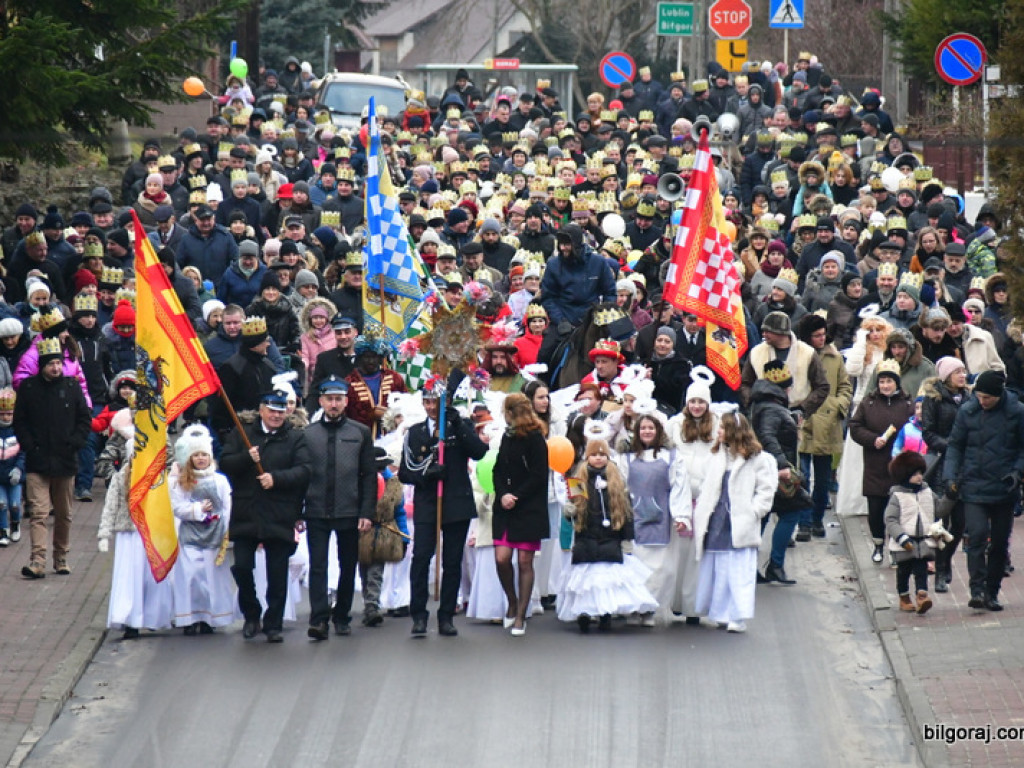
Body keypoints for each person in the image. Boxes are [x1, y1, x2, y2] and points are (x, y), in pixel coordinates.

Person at [220, 390, 312, 643]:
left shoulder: (295, 438)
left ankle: (273, 623)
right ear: (261, 410)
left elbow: (304, 470)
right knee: (242, 567)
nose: (276, 415)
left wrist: (277, 478)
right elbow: (225, 464)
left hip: (279, 512)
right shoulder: (243, 433)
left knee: (277, 572)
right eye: (272, 410)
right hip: (247, 512)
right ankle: (251, 615)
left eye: (281, 411)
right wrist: (245, 459)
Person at [399, 385, 488, 637]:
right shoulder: (415, 432)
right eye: (426, 402)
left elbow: (479, 452)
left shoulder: (460, 425)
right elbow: (406, 471)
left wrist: (458, 424)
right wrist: (427, 473)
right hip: (428, 501)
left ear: (445, 401)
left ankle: (446, 615)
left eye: (434, 402)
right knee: (421, 557)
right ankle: (418, 615)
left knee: (452, 561)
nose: (429, 407)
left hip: (456, 501)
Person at [943, 370, 1024, 611]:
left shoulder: (1017, 412)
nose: (982, 401)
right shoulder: (968, 412)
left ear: (999, 395)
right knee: (976, 537)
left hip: (1004, 487)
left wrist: (1018, 471)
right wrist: (950, 476)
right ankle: (976, 589)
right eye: (979, 396)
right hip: (973, 484)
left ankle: (992, 591)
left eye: (987, 397)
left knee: (999, 543)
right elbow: (955, 446)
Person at [302, 376, 376, 640]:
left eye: (338, 399)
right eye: (329, 399)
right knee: (318, 566)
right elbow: (302, 474)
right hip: (316, 509)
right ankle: (319, 619)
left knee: (348, 565)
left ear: (346, 401)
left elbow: (369, 475)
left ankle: (342, 615)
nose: (333, 404)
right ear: (321, 401)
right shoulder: (308, 434)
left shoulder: (360, 432)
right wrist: (299, 512)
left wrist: (367, 512)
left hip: (349, 510)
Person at [691, 411, 778, 633]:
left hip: (739, 523)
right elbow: (704, 485)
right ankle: (720, 611)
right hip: (717, 520)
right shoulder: (716, 457)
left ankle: (737, 615)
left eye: (722, 427)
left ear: (733, 431)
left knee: (738, 570)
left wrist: (754, 512)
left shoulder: (757, 459)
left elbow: (766, 490)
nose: (717, 432)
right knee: (718, 569)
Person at [558, 439, 657, 633]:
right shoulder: (579, 480)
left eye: (602, 455)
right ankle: (584, 613)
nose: (598, 458)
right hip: (586, 537)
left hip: (610, 537)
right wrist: (569, 511)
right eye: (594, 455)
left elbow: (627, 513)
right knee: (586, 582)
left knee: (606, 580)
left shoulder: (617, 480)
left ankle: (605, 614)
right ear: (588, 457)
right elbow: (574, 511)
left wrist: (627, 539)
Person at [14, 337, 92, 579]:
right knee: (38, 512)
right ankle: (37, 559)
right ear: (42, 366)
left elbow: (84, 419)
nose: (56, 368)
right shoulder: (28, 389)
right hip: (38, 461)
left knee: (64, 512)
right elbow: (20, 422)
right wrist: (30, 446)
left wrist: (76, 442)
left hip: (65, 460)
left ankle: (61, 556)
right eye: (51, 364)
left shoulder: (72, 387)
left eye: (59, 363)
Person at [97, 432, 174, 639]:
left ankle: (153, 617)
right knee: (129, 577)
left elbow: (168, 505)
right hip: (128, 534)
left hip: (151, 533)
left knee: (151, 577)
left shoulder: (158, 479)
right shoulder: (121, 478)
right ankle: (130, 619)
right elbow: (110, 506)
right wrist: (104, 533)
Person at [619, 414, 691, 626]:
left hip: (662, 521)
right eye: (643, 428)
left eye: (651, 428)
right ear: (637, 432)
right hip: (635, 519)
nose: (647, 432)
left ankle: (650, 608)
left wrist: (681, 515)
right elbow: (620, 486)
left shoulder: (671, 458)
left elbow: (679, 486)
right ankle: (634, 607)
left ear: (658, 431)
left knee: (660, 569)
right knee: (635, 566)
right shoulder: (627, 459)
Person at [491, 393, 550, 636]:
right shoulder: (508, 435)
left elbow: (538, 475)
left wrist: (516, 496)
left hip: (528, 507)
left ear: (512, 412)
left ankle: (520, 614)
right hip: (505, 507)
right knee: (502, 559)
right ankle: (512, 600)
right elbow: (497, 469)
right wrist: (503, 493)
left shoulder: (536, 438)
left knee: (525, 561)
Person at [169, 424, 235, 635]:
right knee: (192, 576)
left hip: (214, 535)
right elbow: (178, 507)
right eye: (196, 455)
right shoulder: (183, 482)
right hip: (191, 534)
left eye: (204, 455)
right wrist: (197, 510)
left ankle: (209, 617)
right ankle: (190, 617)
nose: (200, 459)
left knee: (211, 578)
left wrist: (226, 528)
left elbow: (227, 506)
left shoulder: (220, 480)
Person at [750, 361, 811, 585]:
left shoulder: (764, 405)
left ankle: (750, 565)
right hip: (776, 473)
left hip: (765, 471)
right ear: (782, 388)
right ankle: (775, 565)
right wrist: (782, 465)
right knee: (791, 512)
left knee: (763, 516)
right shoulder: (772, 409)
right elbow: (767, 436)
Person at [849, 359, 914, 564]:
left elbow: (916, 428)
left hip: (899, 468)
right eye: (882, 381)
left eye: (889, 381)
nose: (885, 386)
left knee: (898, 511)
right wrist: (871, 439)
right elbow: (855, 426)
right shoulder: (868, 403)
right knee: (876, 510)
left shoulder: (908, 404)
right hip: (875, 465)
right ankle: (878, 544)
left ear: (897, 382)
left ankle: (896, 547)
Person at [796, 314, 852, 539]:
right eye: (816, 335)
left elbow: (845, 386)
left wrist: (838, 405)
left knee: (822, 480)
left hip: (828, 423)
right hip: (803, 422)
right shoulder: (798, 356)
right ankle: (804, 522)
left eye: (823, 334)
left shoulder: (834, 357)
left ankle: (817, 518)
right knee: (801, 477)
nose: (821, 339)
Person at [835, 316, 893, 519]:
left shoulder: (888, 351)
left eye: (879, 330)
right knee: (857, 456)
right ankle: (857, 502)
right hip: (862, 405)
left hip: (885, 406)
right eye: (871, 330)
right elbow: (852, 369)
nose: (875, 334)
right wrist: (860, 342)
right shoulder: (861, 351)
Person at [920, 357, 969, 593]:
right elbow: (928, 433)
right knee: (942, 521)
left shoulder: (969, 398)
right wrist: (950, 446)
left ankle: (947, 559)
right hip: (941, 464)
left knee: (960, 523)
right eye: (957, 372)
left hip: (966, 466)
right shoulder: (934, 398)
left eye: (964, 371)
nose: (962, 375)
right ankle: (940, 570)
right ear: (946, 375)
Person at [884, 451, 937, 615]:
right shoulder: (897, 495)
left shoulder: (927, 492)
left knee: (921, 569)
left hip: (923, 541)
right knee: (904, 571)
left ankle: (921, 596)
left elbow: (939, 508)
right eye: (915, 474)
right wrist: (901, 537)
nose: (919, 477)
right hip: (904, 543)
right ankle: (904, 597)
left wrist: (950, 497)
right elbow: (890, 519)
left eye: (920, 473)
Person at [0, 389, 24, 547]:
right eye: (2, 414)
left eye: (9, 414)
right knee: (1, 503)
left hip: (13, 476)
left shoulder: (19, 431)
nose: (6, 417)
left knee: (14, 504)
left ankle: (15, 522)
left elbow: (23, 453)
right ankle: (3, 529)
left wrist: (18, 468)